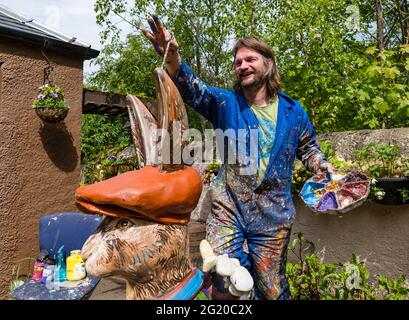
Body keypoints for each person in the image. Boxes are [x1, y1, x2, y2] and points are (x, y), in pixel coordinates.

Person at [142, 15, 333, 300]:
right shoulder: (225, 103)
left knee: (271, 288)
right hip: (228, 210)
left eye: (250, 59)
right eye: (237, 62)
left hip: (273, 215)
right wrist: (173, 56)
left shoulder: (295, 112)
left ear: (268, 63)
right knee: (224, 280)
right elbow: (191, 87)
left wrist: (320, 165)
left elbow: (308, 148)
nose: (242, 66)